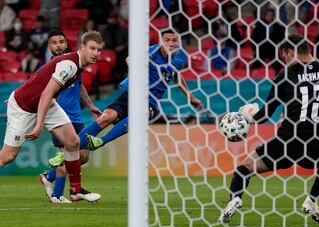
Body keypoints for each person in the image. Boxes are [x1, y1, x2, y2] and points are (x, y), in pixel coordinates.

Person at [218, 34, 319, 224]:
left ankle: (234, 199)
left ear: (290, 52)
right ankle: (312, 200)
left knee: (244, 168)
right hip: (316, 147)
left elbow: (266, 115)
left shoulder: (286, 76)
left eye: (285, 57)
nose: (285, 61)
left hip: (285, 144)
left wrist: (248, 115)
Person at [48, 29, 204, 167]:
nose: (171, 43)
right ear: (160, 41)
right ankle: (60, 160)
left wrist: (190, 96)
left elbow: (176, 76)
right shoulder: (151, 52)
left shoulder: (177, 60)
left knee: (136, 119)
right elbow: (130, 59)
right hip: (132, 94)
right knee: (105, 117)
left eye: (174, 40)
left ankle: (101, 141)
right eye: (167, 40)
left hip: (149, 102)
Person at [0, 31, 104, 203]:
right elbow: (47, 93)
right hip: (24, 108)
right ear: (82, 47)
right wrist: (39, 124)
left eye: (99, 50)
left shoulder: (77, 65)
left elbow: (39, 77)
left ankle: (75, 189)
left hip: (45, 104)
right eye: (92, 48)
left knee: (73, 142)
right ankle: (57, 183)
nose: (96, 53)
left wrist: (90, 106)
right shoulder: (70, 65)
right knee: (8, 157)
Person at [38, 30, 102, 203]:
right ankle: (59, 194)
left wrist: (90, 106)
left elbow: (80, 87)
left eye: (61, 42)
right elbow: (40, 92)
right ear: (49, 46)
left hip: (76, 116)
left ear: (66, 44)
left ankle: (48, 177)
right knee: (69, 155)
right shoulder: (47, 69)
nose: (58, 45)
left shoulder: (74, 64)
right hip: (60, 119)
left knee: (83, 156)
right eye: (54, 42)